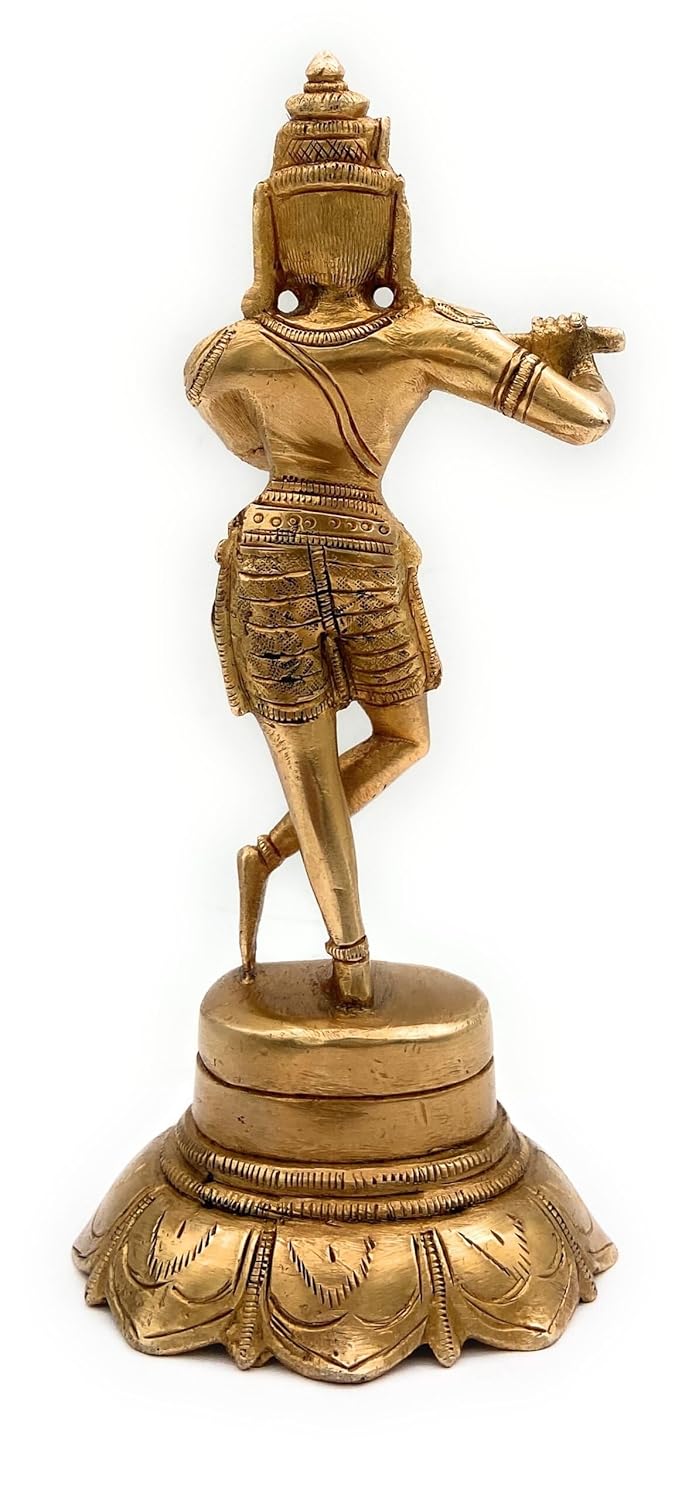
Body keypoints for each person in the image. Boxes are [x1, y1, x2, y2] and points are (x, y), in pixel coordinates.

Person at [185, 52, 617, 1008]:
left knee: (376, 746)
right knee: (370, 745)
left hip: (272, 546)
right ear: (391, 223)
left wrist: (295, 451)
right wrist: (577, 357)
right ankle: (348, 964)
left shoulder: (232, 353)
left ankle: (274, 854)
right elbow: (586, 423)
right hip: (357, 545)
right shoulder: (426, 335)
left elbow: (239, 436)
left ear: (271, 230)